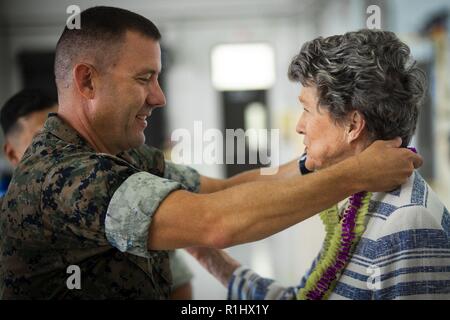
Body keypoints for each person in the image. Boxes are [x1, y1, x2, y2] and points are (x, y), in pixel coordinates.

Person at [0, 7, 421, 299]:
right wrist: (356, 174)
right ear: (87, 82)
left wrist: (315, 163)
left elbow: (222, 190)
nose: (159, 97)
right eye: (144, 78)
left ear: (354, 123)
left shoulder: (123, 155)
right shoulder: (61, 177)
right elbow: (216, 223)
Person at [187, 29, 450, 300]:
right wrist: (210, 259)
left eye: (307, 110)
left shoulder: (407, 219)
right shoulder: (361, 199)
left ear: (353, 125)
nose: (299, 126)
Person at [0, 89, 194, 299]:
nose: (59, 147)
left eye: (63, 133)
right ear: (12, 153)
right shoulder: (12, 224)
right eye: (41, 140)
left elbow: (176, 280)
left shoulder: (108, 186)